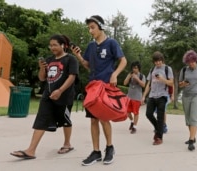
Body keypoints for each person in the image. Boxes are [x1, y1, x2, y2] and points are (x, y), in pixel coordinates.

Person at [10, 34, 79, 159]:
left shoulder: (70, 59)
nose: (52, 47)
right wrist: (41, 68)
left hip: (64, 96)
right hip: (48, 95)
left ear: (63, 45)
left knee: (65, 121)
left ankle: (67, 144)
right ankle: (31, 150)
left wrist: (60, 90)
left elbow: (72, 77)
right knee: (41, 119)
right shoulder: (48, 60)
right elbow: (42, 78)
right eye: (50, 45)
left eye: (55, 45)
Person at [71, 15, 127, 166]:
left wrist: (115, 74)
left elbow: (123, 60)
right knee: (93, 119)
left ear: (101, 26)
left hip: (105, 86)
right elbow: (87, 65)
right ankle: (96, 152)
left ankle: (109, 148)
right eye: (89, 28)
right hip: (93, 87)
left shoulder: (111, 43)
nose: (90, 31)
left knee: (103, 119)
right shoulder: (91, 46)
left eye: (92, 27)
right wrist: (78, 56)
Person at [141, 51, 174, 145]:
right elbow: (149, 84)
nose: (157, 63)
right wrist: (144, 96)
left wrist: (162, 79)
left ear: (162, 60)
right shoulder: (152, 70)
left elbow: (171, 83)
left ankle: (159, 137)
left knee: (160, 116)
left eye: (159, 61)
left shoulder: (168, 69)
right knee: (148, 114)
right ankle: (158, 128)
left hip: (162, 95)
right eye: (156, 62)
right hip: (152, 95)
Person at [178, 50, 197, 151]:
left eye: (193, 62)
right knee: (188, 119)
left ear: (196, 61)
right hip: (186, 96)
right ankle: (193, 136)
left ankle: (191, 141)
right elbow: (179, 84)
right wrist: (183, 84)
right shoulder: (184, 70)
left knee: (194, 118)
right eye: (189, 62)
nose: (191, 64)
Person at [123, 61, 145, 134]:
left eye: (136, 68)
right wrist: (129, 76)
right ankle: (132, 121)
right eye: (133, 68)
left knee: (136, 112)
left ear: (139, 69)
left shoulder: (142, 76)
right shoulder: (130, 74)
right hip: (129, 96)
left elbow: (143, 85)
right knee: (127, 112)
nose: (134, 69)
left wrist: (137, 79)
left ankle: (134, 127)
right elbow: (125, 83)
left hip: (137, 97)